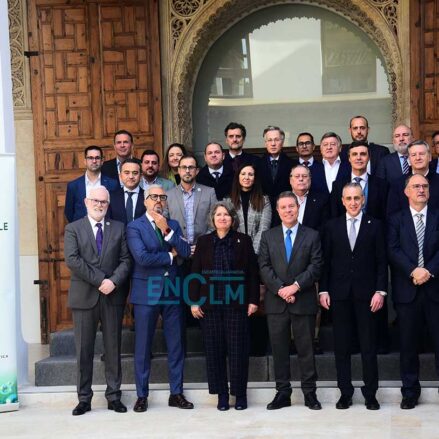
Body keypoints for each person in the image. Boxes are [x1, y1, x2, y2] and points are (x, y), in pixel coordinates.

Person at [64, 186, 132, 416]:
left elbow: (126, 260)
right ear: (86, 201)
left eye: (104, 202)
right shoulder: (73, 228)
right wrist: (102, 279)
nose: (100, 204)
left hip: (112, 296)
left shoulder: (119, 228)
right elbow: (73, 260)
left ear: (108, 204)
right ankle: (84, 399)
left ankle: (114, 396)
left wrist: (113, 282)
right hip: (84, 297)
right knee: (84, 351)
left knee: (113, 348)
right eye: (95, 200)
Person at [320, 183, 387, 410]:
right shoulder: (331, 226)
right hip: (339, 295)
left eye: (357, 198)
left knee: (368, 346)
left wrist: (380, 291)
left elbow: (381, 262)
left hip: (367, 295)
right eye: (349, 198)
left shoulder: (376, 226)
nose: (353, 202)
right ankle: (345, 393)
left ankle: (371, 394)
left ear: (363, 199)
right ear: (342, 200)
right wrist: (323, 290)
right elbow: (326, 263)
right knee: (342, 347)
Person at [126, 185, 193, 412]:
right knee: (143, 346)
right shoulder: (135, 227)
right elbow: (143, 258)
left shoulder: (172, 224)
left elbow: (185, 251)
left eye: (162, 197)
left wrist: (169, 232)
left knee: (176, 345)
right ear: (145, 201)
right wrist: (169, 255)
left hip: (172, 290)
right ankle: (142, 395)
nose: (158, 201)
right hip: (146, 292)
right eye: (153, 197)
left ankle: (176, 393)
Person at [189, 201, 260, 411]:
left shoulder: (243, 241)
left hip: (236, 304)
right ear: (213, 219)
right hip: (210, 306)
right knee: (214, 350)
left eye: (226, 215)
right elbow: (195, 273)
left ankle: (239, 395)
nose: (222, 218)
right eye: (218, 215)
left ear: (232, 219)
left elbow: (252, 274)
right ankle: (221, 395)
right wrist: (193, 301)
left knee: (238, 350)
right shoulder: (203, 242)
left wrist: (254, 300)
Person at [259, 191, 323, 410]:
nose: (288, 210)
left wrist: (295, 286)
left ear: (298, 208)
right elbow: (264, 267)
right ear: (277, 211)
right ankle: (282, 393)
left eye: (291, 206)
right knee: (279, 350)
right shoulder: (268, 236)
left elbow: (316, 266)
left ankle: (309, 394)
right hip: (276, 302)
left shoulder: (312, 235)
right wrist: (280, 289)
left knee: (306, 350)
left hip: (303, 300)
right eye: (283, 207)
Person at [387, 174, 439, 409]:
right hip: (407, 291)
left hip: (434, 289)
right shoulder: (395, 219)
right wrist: (413, 271)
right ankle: (409, 392)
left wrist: (428, 271)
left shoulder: (438, 216)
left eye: (424, 186)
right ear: (406, 191)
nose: (421, 189)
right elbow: (393, 249)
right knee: (408, 345)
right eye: (416, 186)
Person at [166, 154, 218, 250]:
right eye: (184, 167)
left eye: (191, 167)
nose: (187, 171)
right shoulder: (168, 195)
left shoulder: (209, 192)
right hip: (177, 251)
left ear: (197, 171)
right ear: (179, 170)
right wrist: (177, 243)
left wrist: (202, 243)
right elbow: (165, 223)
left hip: (203, 250)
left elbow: (215, 222)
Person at [330, 141, 388, 220]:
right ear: (349, 158)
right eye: (354, 154)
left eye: (363, 154)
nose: (358, 158)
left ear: (369, 158)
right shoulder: (338, 185)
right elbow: (334, 216)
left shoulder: (382, 185)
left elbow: (385, 216)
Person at [64, 145, 118, 223]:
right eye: (90, 158)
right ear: (85, 161)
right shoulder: (73, 186)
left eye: (97, 158)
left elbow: (115, 210)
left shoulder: (112, 184)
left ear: (102, 161)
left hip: (106, 230)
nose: (94, 161)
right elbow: (69, 212)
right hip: (81, 230)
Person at [226, 163, 271, 254]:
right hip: (233, 250)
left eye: (250, 174)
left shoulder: (264, 200)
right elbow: (227, 228)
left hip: (257, 251)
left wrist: (252, 252)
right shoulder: (228, 201)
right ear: (238, 177)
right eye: (243, 174)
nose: (246, 177)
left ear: (255, 179)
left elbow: (264, 228)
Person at [387, 140, 439, 216]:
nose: (418, 158)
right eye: (414, 155)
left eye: (421, 154)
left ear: (430, 157)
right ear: (408, 160)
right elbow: (392, 216)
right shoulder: (397, 184)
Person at [256, 126, 294, 226]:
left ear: (282, 142)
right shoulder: (256, 165)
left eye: (276, 140)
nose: (273, 143)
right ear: (265, 143)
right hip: (262, 212)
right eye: (269, 140)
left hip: (286, 213)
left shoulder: (292, 164)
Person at [290, 164, 329, 231]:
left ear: (310, 179)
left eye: (304, 176)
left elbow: (324, 228)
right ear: (290, 180)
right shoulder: (282, 199)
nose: (301, 179)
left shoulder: (322, 200)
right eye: (297, 176)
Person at [107, 158, 145, 225]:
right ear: (120, 176)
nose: (131, 176)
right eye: (127, 173)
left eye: (135, 173)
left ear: (141, 176)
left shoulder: (148, 196)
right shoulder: (111, 197)